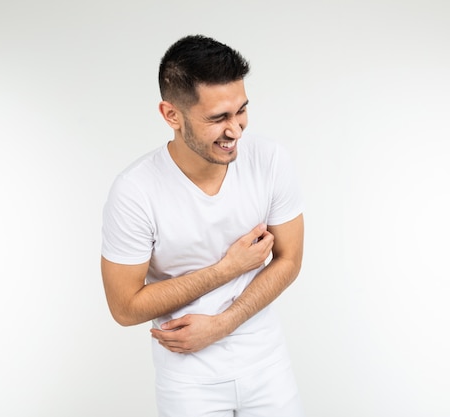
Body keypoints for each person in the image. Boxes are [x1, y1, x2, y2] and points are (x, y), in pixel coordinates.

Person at [100, 34, 305, 417]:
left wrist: (223, 324)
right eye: (217, 118)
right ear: (170, 115)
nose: (236, 130)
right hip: (187, 378)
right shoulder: (135, 191)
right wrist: (228, 269)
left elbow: (289, 259)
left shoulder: (270, 159)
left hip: (267, 364)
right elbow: (125, 308)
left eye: (241, 110)